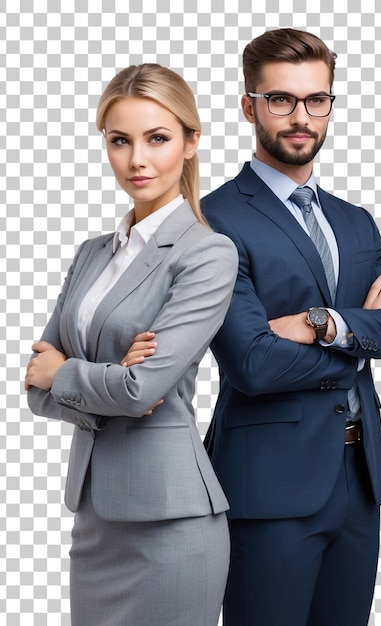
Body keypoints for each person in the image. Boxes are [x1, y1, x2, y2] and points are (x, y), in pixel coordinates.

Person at [200, 28, 381, 625]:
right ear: (249, 106)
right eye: (281, 100)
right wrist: (363, 336)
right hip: (270, 487)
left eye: (316, 100)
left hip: (359, 482)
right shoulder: (216, 220)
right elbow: (253, 363)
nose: (301, 117)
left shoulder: (354, 222)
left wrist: (322, 324)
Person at [24, 63, 238, 626]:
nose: (136, 159)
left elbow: (140, 387)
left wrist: (70, 374)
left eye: (158, 138)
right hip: (95, 518)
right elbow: (36, 387)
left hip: (170, 523)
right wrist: (104, 381)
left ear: (192, 143)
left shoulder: (208, 253)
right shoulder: (93, 253)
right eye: (120, 141)